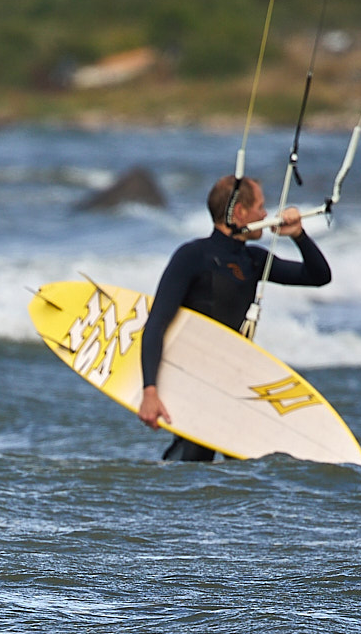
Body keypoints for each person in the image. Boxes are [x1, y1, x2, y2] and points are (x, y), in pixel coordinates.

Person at [137, 175, 331, 462]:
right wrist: (150, 391)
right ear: (240, 212)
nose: (265, 215)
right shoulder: (192, 256)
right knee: (194, 458)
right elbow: (156, 325)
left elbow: (319, 276)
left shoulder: (254, 261)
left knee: (240, 469)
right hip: (194, 380)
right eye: (260, 207)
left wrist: (299, 235)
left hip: (233, 379)